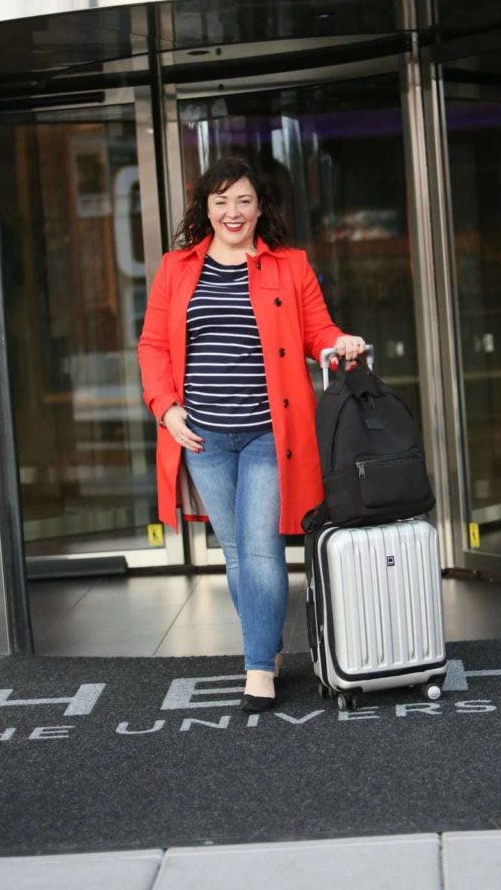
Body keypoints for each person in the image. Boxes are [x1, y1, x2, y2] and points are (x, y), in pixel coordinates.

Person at [137, 156, 365, 712]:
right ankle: (265, 645)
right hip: (202, 435)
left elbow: (318, 330)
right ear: (205, 208)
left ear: (260, 206)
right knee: (236, 551)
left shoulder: (290, 265)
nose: (232, 212)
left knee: (260, 548)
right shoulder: (176, 268)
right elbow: (153, 346)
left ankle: (258, 667)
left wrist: (339, 344)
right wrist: (167, 410)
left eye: (243, 200)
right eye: (221, 201)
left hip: (269, 430)